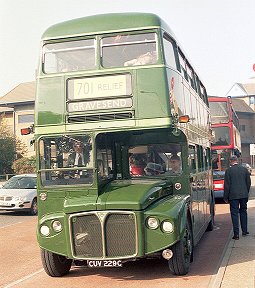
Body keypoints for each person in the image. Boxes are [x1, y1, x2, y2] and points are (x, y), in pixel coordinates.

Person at [224, 155, 251, 240]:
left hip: (233, 196)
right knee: (243, 211)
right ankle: (245, 230)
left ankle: (236, 234)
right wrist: (246, 192)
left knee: (234, 214)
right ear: (237, 160)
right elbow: (248, 182)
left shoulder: (228, 171)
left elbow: (227, 186)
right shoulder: (244, 170)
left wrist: (226, 197)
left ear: (231, 161)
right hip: (243, 195)